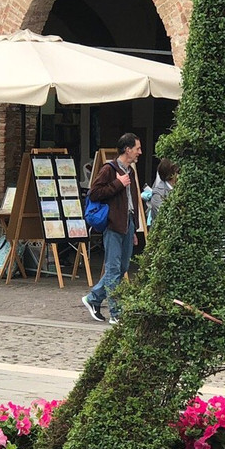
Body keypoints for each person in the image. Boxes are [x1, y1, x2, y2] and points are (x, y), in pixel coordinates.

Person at [81, 133, 141, 325]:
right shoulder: (109, 169)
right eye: (137, 148)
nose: (140, 152)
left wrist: (134, 229)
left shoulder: (130, 170)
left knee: (123, 267)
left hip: (127, 224)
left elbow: (132, 201)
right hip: (113, 225)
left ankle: (94, 298)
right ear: (127, 149)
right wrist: (117, 183)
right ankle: (116, 313)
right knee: (114, 268)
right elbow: (95, 193)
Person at [148, 158, 178, 226]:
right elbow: (162, 216)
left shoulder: (180, 189)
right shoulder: (158, 193)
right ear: (171, 174)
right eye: (178, 172)